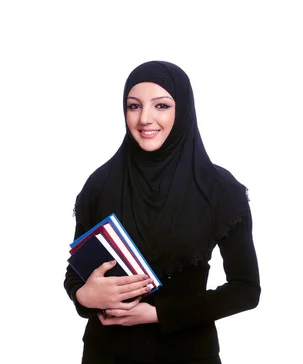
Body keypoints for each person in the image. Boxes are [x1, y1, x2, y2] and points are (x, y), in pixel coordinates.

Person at [64, 60, 261, 364]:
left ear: (181, 110)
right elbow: (75, 274)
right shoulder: (100, 184)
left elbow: (246, 289)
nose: (145, 118)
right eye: (133, 106)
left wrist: (159, 314)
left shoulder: (220, 189)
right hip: (107, 355)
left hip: (188, 355)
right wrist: (83, 297)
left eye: (161, 106)